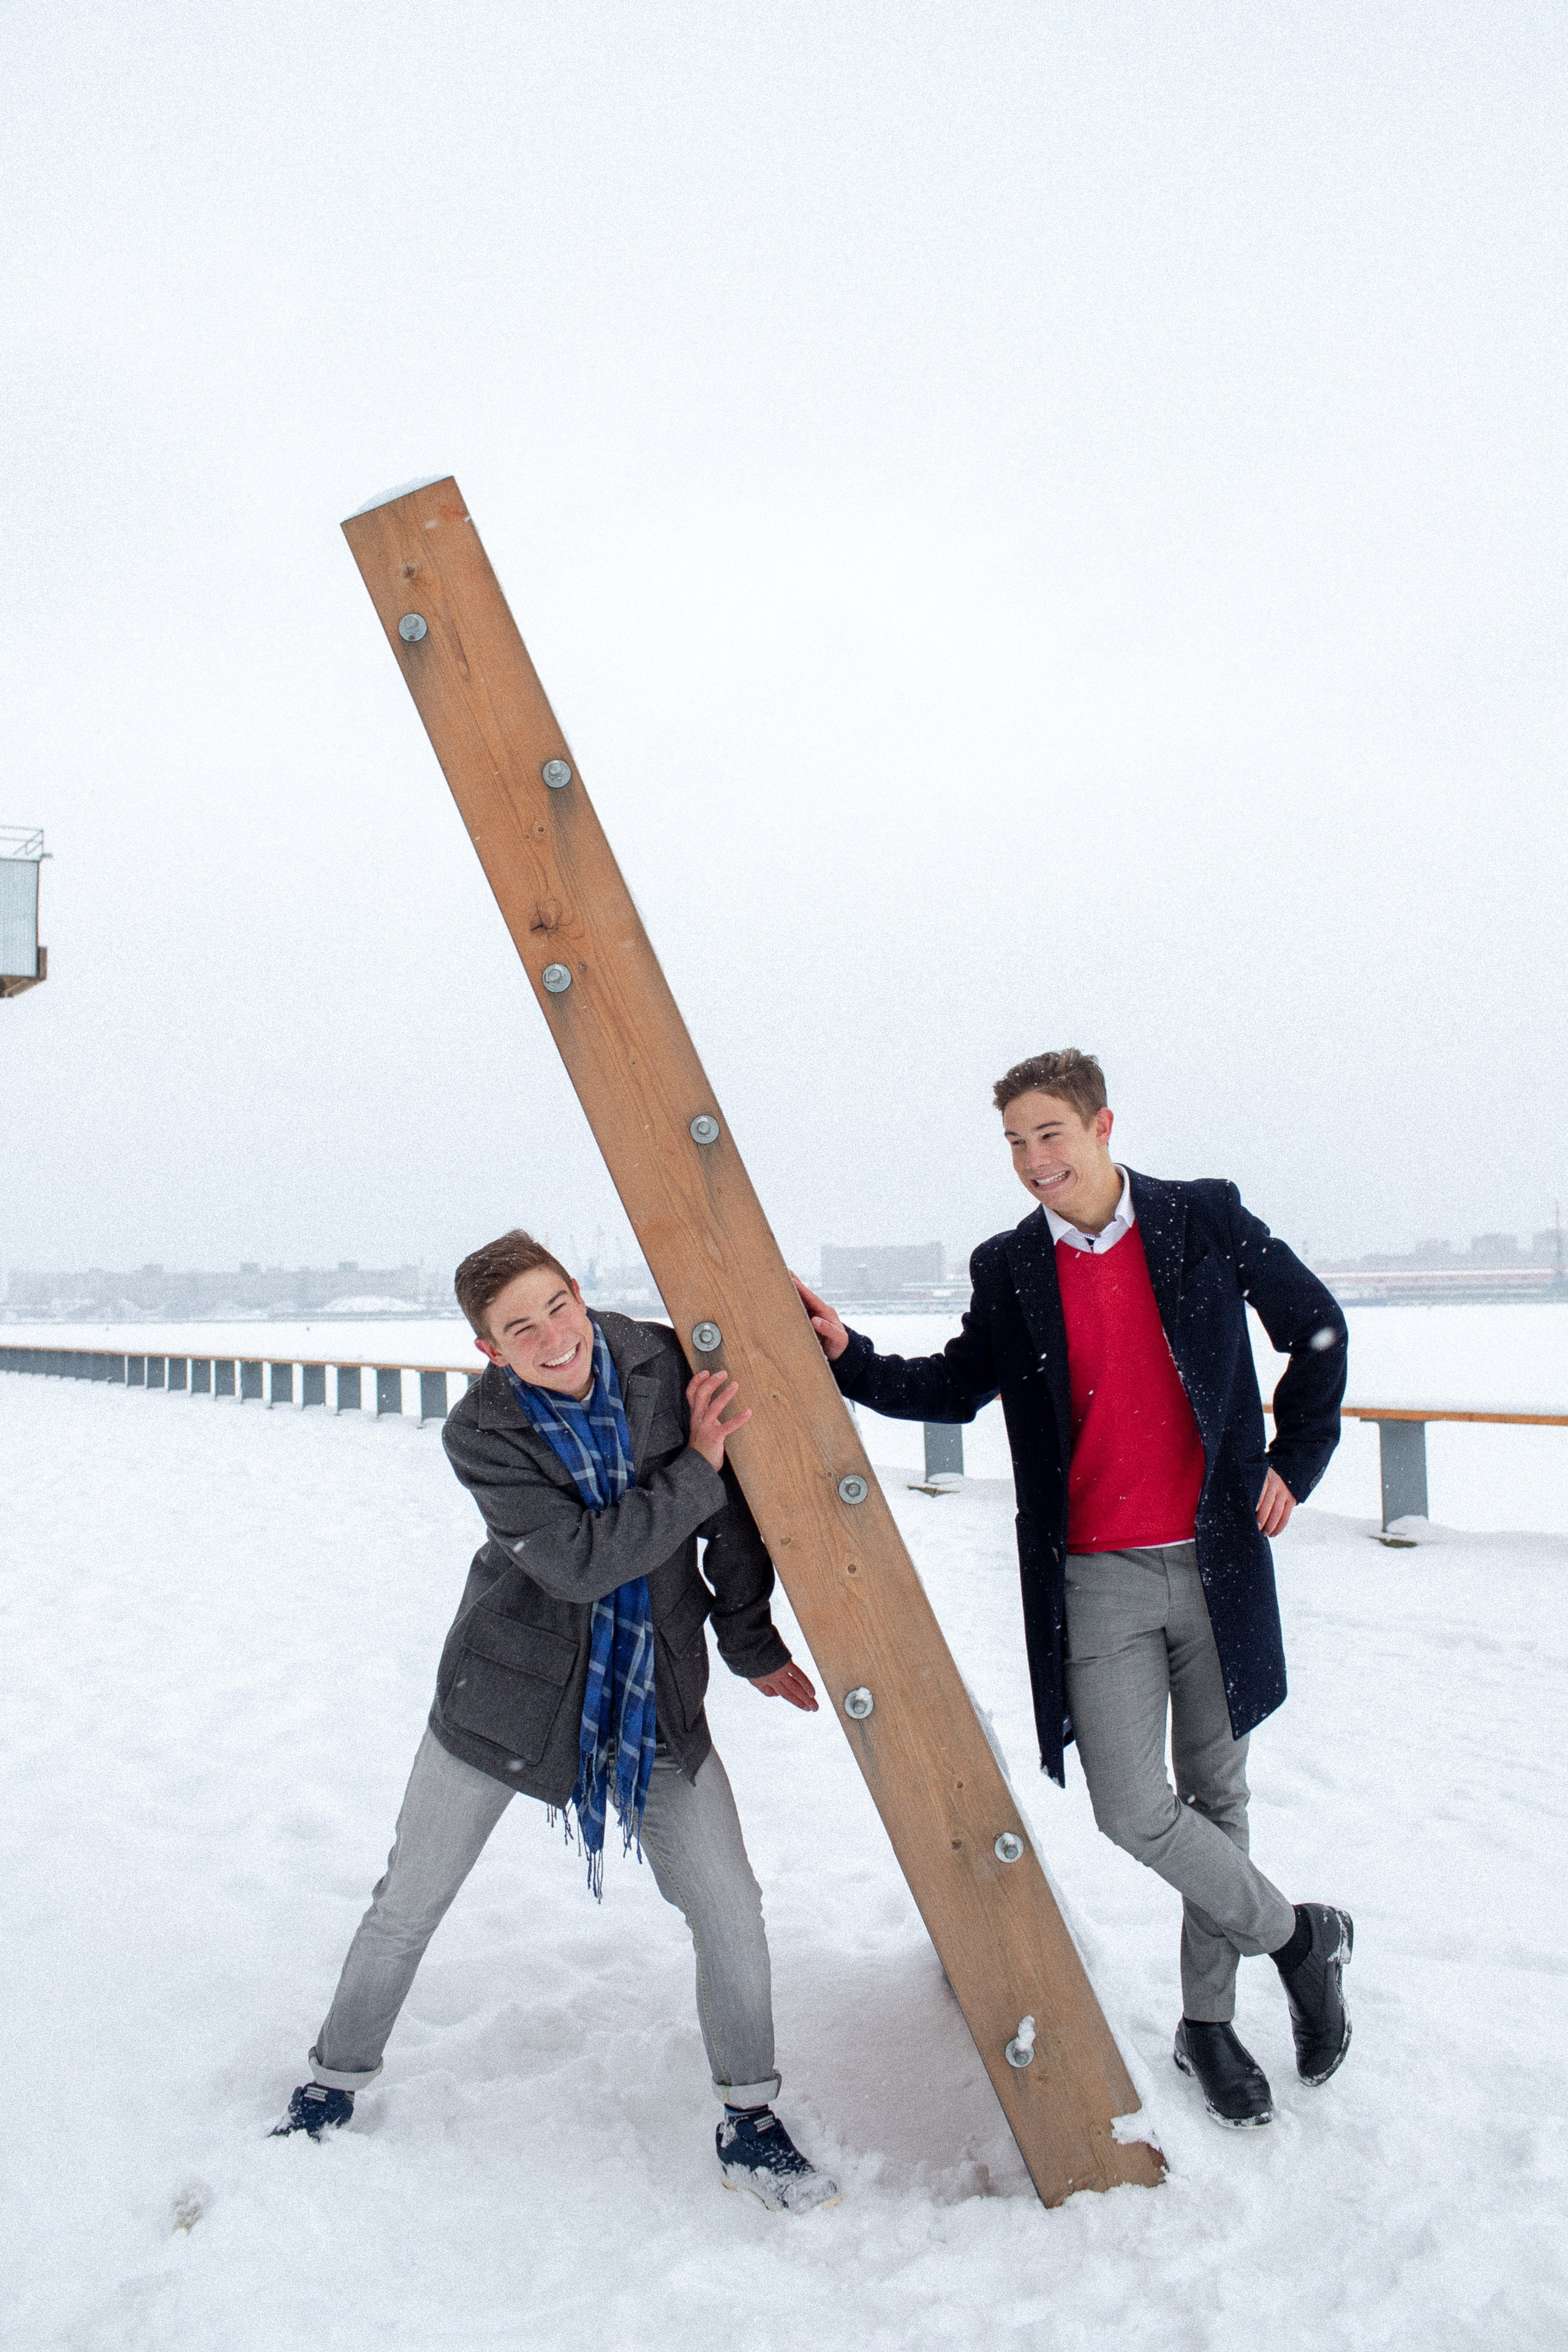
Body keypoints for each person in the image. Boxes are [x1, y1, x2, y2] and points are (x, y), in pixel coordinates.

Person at [794, 1050, 1353, 2130]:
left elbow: (1316, 1329)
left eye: (1050, 1134)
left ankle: (1207, 2026)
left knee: (1218, 1797)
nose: (1034, 1159)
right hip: (1093, 1578)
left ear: (1102, 1125)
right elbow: (958, 1384)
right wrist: (851, 1356)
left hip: (1215, 1561)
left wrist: (1297, 1460)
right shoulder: (1011, 1266)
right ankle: (1298, 1935)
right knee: (1135, 1811)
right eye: (1015, 1142)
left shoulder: (1201, 1218)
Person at [271, 1228, 838, 2212]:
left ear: (580, 1293)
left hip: (651, 1694)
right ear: (490, 1349)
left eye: (556, 1308)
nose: (549, 1337)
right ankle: (334, 2080)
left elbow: (733, 1527)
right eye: (518, 1329)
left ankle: (750, 2117)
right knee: (408, 1901)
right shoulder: (482, 1432)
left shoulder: (664, 1361)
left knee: (730, 1909)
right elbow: (576, 1561)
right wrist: (698, 1468)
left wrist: (751, 1643)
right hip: (509, 1698)